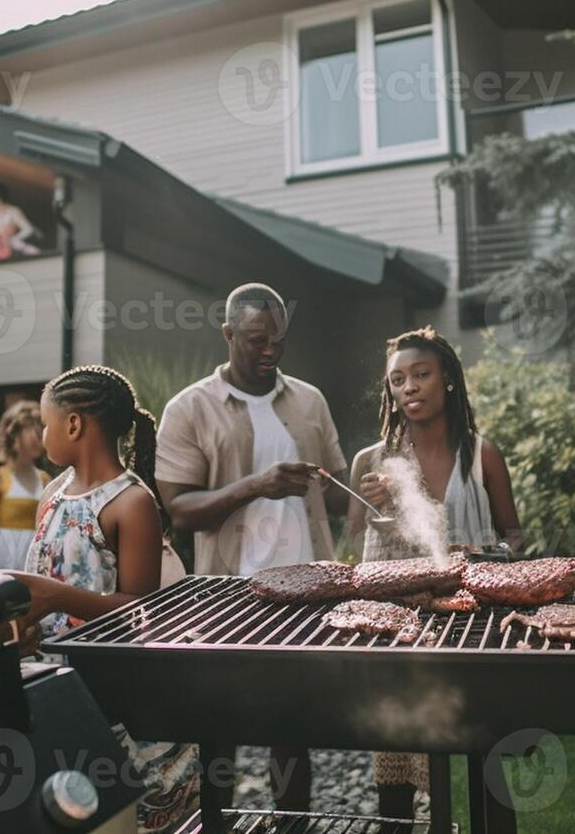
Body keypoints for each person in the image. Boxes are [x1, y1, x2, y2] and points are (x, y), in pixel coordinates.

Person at [0, 364, 196, 833]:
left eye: (45, 423)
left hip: (117, 694)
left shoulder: (131, 502)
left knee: (127, 813)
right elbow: (47, 581)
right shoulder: (53, 493)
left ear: (74, 424)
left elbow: (140, 610)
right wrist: (30, 626)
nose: (41, 434)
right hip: (58, 685)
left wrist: (57, 597)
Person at [155, 282, 351, 813]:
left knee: (292, 726)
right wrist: (255, 486)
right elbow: (178, 509)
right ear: (228, 334)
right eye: (255, 340)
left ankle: (292, 825)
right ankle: (217, 823)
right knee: (220, 724)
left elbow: (334, 498)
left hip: (307, 591)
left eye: (278, 341)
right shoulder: (190, 408)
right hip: (228, 592)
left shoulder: (309, 400)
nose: (269, 351)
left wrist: (359, 489)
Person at [348, 326, 521, 819]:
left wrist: (484, 553)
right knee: (396, 756)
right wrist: (389, 506)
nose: (409, 387)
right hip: (398, 633)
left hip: (471, 627)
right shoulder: (371, 462)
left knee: (481, 758)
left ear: (447, 380)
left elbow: (513, 535)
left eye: (421, 374)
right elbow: (356, 552)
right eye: (398, 380)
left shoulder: (483, 455)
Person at [0, 401, 50, 570]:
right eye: (31, 431)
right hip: (3, 567)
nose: (38, 439)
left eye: (41, 432)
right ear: (13, 434)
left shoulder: (45, 480)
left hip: (34, 569)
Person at [0, 182, 39, 261]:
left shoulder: (13, 211)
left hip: (11, 249)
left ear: (0, 197)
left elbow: (28, 229)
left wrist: (14, 238)